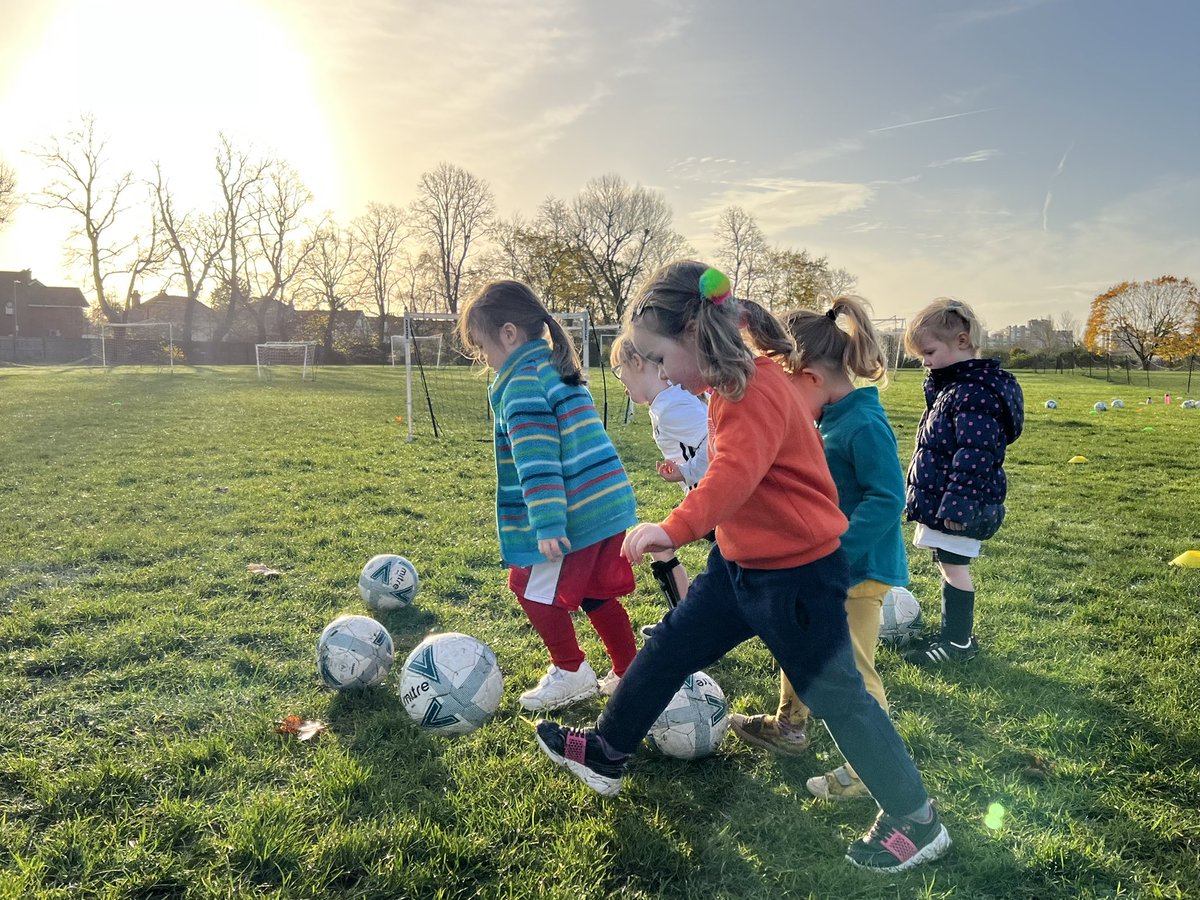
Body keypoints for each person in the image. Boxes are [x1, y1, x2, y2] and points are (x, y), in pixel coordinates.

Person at [534, 262, 951, 874]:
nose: (662, 374)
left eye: (660, 357)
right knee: (670, 646)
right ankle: (607, 751)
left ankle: (918, 820)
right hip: (739, 567)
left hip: (798, 577)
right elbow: (729, 468)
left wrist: (672, 527)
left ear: (694, 336)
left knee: (839, 698)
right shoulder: (733, 386)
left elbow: (732, 477)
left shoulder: (751, 392)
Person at [730, 296, 909, 803]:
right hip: (823, 569)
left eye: (781, 392)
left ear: (808, 377)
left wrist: (838, 551)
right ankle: (790, 726)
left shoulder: (863, 424)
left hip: (858, 571)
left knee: (853, 672)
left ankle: (869, 770)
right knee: (800, 642)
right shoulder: (829, 420)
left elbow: (887, 497)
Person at [458, 280, 640, 710]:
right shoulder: (555, 367)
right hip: (606, 504)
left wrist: (547, 524)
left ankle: (571, 670)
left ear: (508, 334)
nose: (484, 359)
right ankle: (630, 672)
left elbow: (538, 461)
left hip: (574, 514)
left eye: (482, 347)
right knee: (595, 593)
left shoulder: (522, 384)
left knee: (527, 586)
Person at [901, 297, 1024, 666]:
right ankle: (954, 634)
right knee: (947, 562)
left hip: (960, 504)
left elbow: (975, 456)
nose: (925, 362)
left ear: (962, 341)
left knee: (955, 566)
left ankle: (958, 645)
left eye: (929, 352)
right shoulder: (954, 388)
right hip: (946, 500)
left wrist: (958, 506)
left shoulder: (974, 393)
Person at [609, 331, 709, 635]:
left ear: (638, 363)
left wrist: (687, 471)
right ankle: (684, 624)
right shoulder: (667, 403)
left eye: (619, 370)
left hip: (717, 504)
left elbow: (720, 440)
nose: (621, 382)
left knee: (734, 580)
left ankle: (689, 628)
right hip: (707, 502)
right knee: (659, 546)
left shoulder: (672, 406)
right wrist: (682, 470)